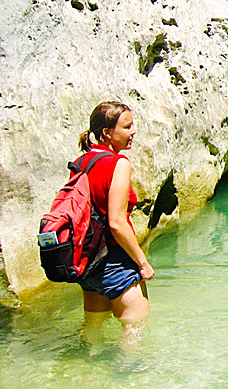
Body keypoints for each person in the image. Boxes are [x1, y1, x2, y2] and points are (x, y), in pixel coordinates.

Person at [76, 101, 154, 342]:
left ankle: (89, 373)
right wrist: (142, 263)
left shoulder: (82, 162)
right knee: (136, 325)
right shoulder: (118, 164)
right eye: (127, 127)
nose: (133, 132)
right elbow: (117, 222)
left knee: (92, 328)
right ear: (107, 133)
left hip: (88, 261)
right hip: (115, 260)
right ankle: (130, 375)